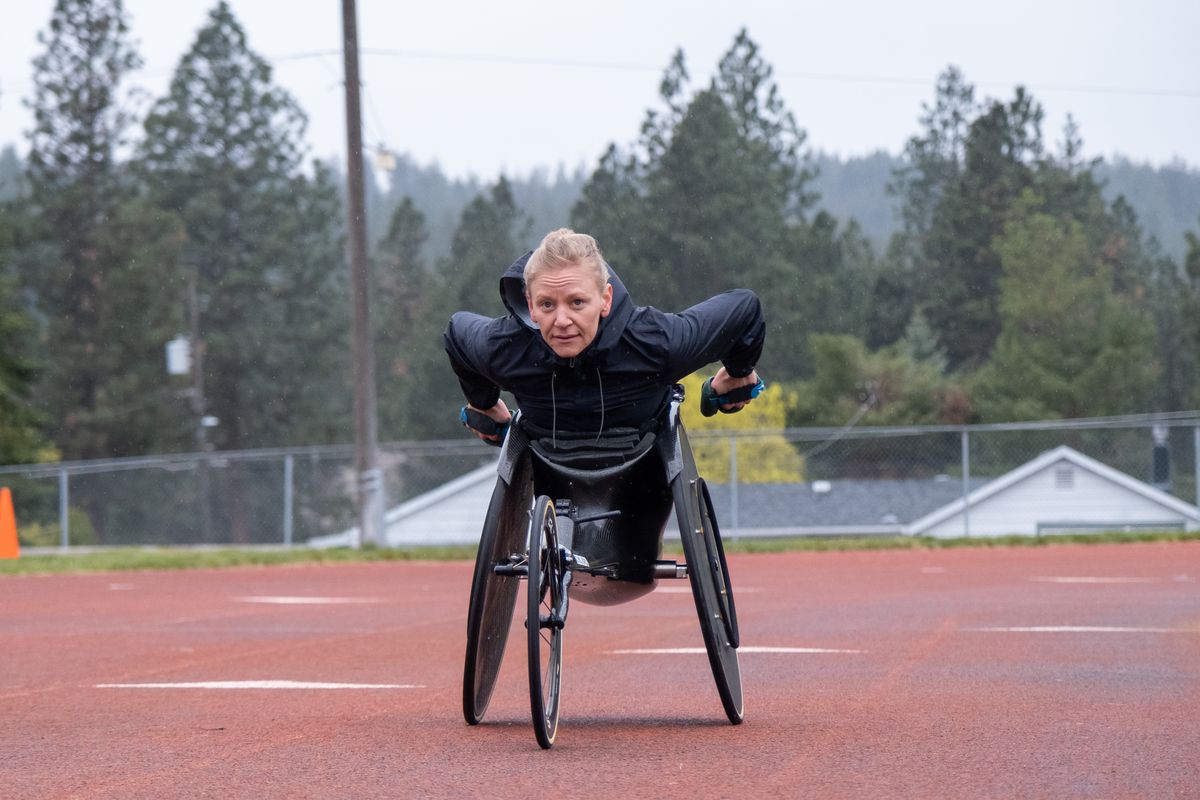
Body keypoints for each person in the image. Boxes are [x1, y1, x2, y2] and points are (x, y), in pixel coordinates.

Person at [444, 228, 764, 443]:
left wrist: (483, 405)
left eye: (577, 302)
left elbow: (745, 308)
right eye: (546, 304)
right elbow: (456, 333)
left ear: (605, 299)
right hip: (543, 467)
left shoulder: (657, 342)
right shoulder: (505, 347)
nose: (562, 320)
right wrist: (738, 375)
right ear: (530, 305)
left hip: (643, 475)